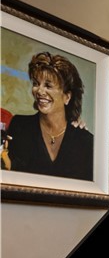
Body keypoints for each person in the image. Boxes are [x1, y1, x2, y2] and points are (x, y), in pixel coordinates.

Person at [2, 52, 93, 180]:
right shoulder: (19, 126)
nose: (39, 91)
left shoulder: (85, 141)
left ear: (67, 96)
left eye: (48, 85)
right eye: (35, 83)